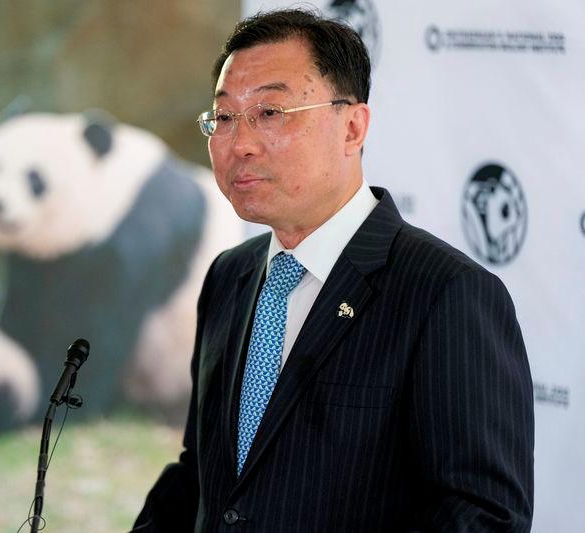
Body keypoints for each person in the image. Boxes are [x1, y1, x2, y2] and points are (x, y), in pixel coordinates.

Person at [133, 8, 534, 532]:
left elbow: (484, 516)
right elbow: (204, 474)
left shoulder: (445, 293)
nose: (240, 143)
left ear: (352, 126)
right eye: (225, 117)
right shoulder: (229, 277)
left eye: (271, 113)